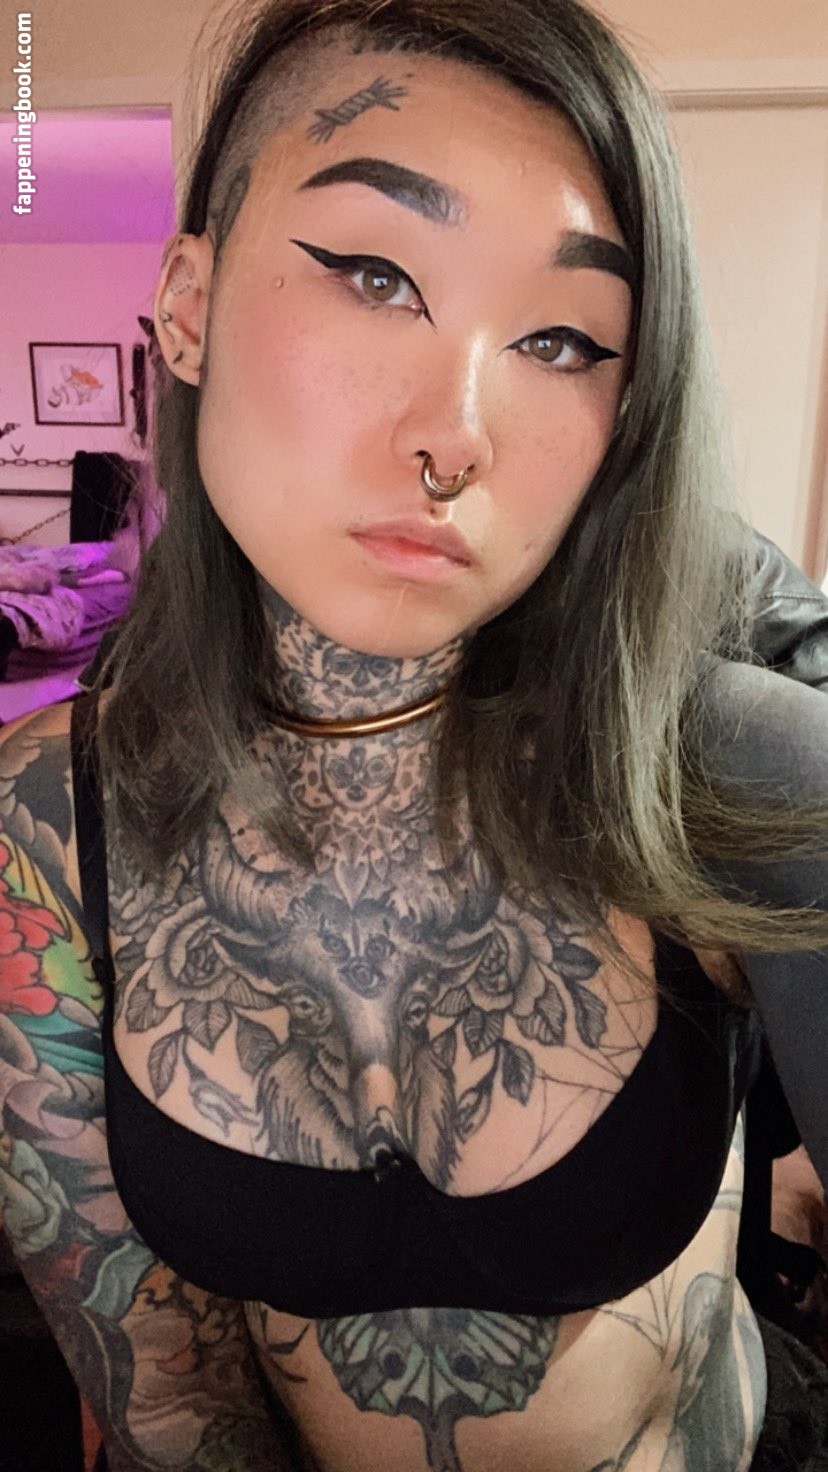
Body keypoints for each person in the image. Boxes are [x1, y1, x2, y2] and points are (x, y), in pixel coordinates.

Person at [0, 1, 827, 1469]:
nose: (456, 435)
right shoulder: (48, 827)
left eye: (563, 339)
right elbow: (167, 1402)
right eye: (378, 276)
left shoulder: (720, 769)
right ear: (186, 304)